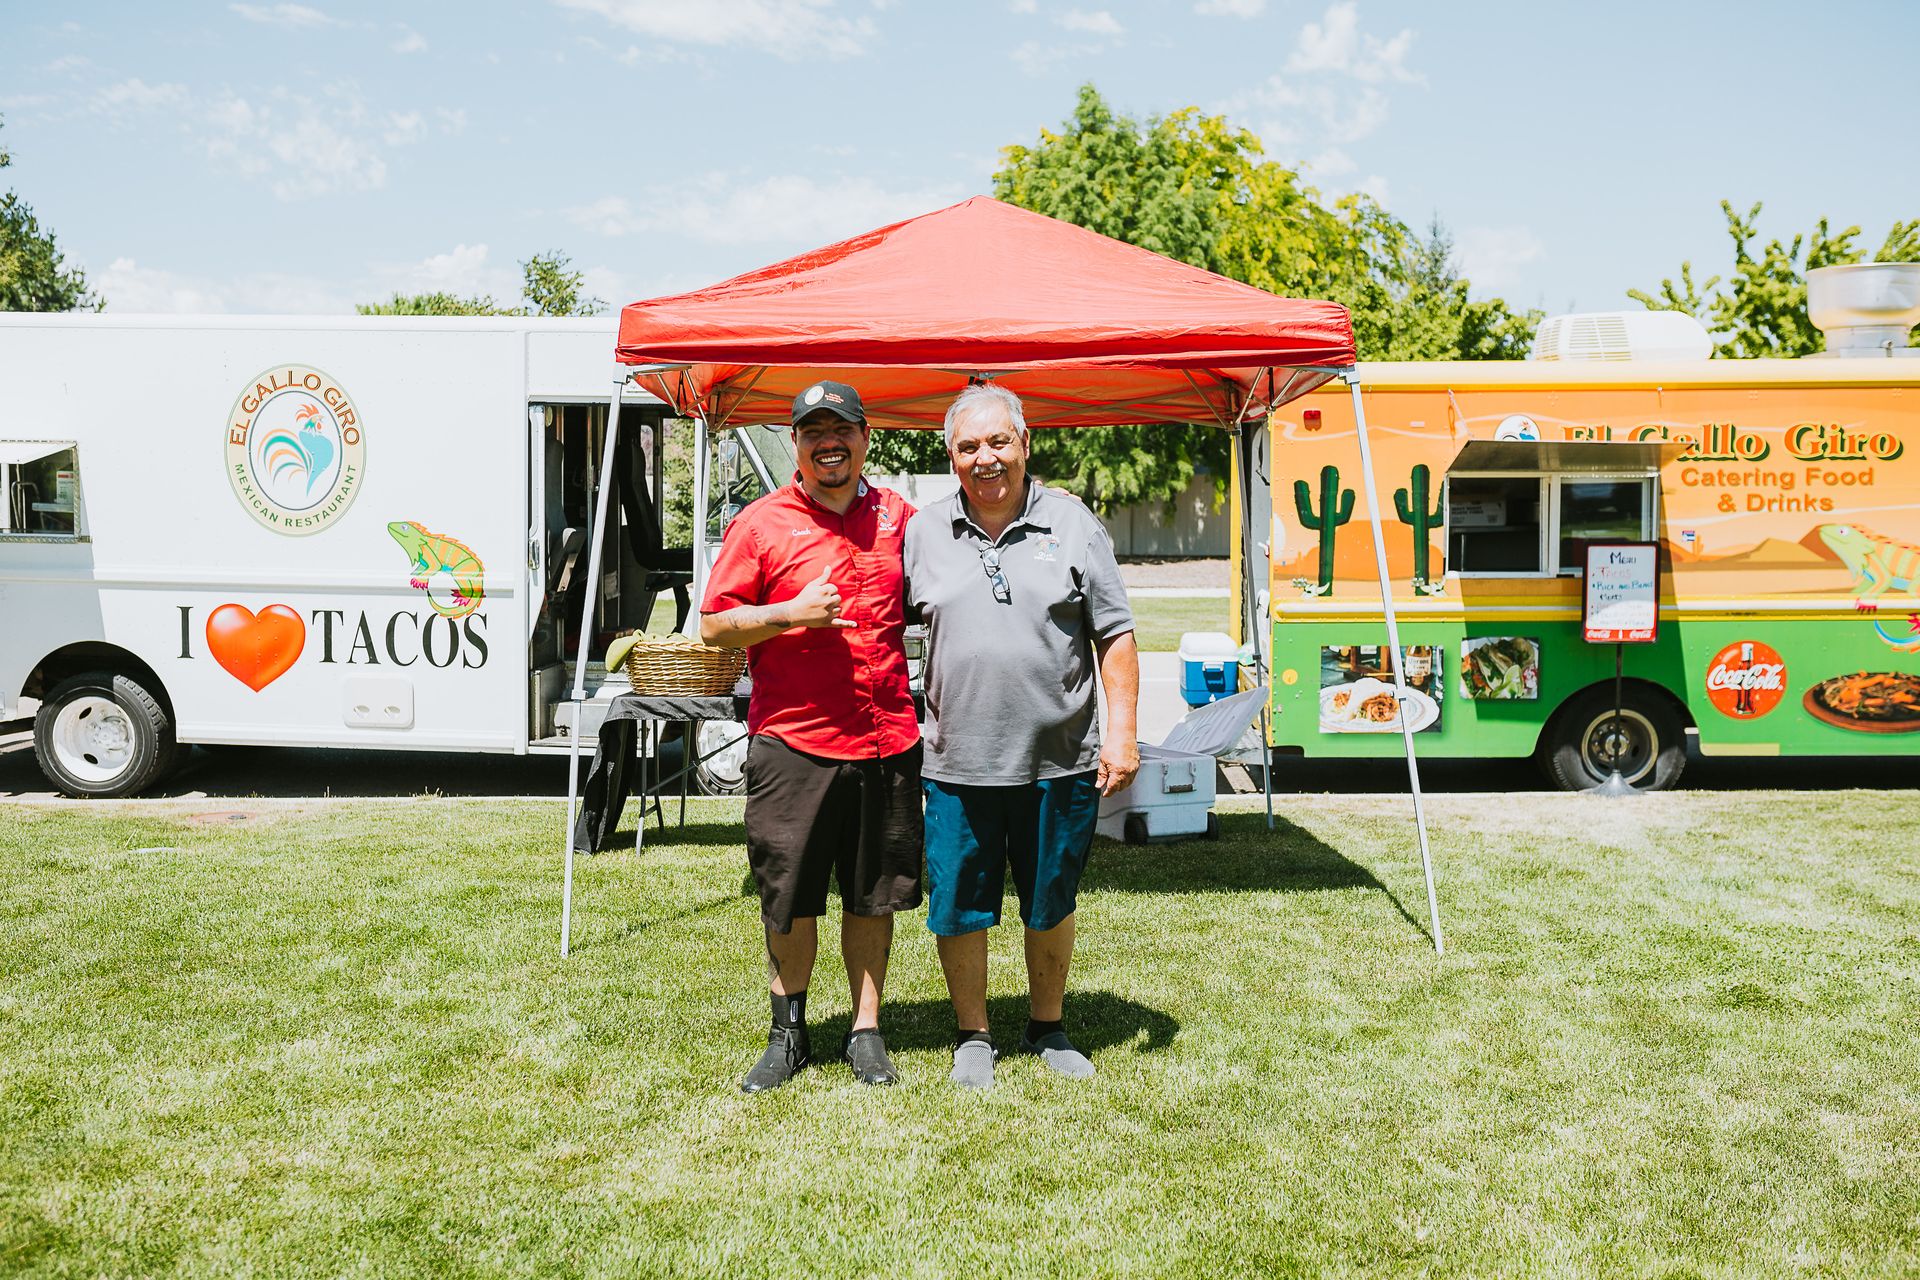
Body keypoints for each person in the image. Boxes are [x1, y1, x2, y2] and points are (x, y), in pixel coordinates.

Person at [903, 382, 1140, 1089]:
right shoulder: (922, 532)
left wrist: (1121, 734)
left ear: (1026, 444)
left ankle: (1047, 1023)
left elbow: (1117, 636)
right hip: (956, 761)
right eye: (969, 446)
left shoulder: (1073, 524)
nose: (986, 458)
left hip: (1057, 760)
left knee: (1049, 900)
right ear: (950, 456)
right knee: (957, 906)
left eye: (998, 442)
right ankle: (973, 1034)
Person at [700, 380, 921, 1093]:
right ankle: (787, 1032)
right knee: (789, 897)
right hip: (793, 743)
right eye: (813, 430)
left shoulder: (900, 520)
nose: (829, 441)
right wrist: (790, 612)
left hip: (886, 739)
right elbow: (712, 625)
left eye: (842, 428)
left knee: (872, 896)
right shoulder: (761, 524)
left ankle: (865, 1032)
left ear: (866, 436)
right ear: (795, 443)